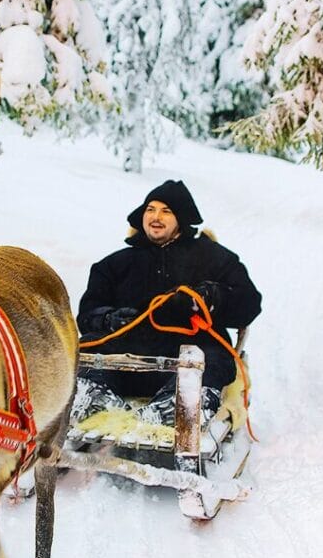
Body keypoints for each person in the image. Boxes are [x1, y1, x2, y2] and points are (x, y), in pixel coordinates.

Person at [73, 180, 262, 427]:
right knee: (86, 349)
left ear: (181, 218)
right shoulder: (115, 264)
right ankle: (95, 398)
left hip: (190, 356)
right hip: (128, 359)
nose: (156, 217)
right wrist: (109, 318)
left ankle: (175, 408)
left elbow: (250, 304)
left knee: (210, 358)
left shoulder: (214, 257)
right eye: (150, 209)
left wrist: (212, 297)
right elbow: (87, 313)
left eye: (166, 211)